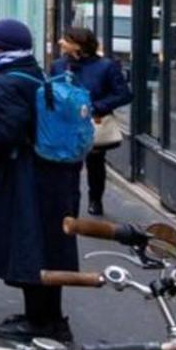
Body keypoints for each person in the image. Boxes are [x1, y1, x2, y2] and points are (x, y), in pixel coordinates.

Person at [0, 18, 80, 342]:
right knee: (51, 247)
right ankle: (53, 318)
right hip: (54, 174)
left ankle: (37, 322)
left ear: (1, 47)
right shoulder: (34, 71)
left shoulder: (4, 83)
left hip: (26, 177)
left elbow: (6, 134)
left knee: (28, 246)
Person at [53, 26, 133, 218]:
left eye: (65, 39)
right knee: (69, 166)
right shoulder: (58, 65)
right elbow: (52, 90)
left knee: (95, 164)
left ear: (78, 44)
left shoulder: (106, 66)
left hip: (94, 123)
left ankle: (95, 199)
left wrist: (95, 107)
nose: (60, 42)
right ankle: (70, 207)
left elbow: (123, 94)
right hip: (67, 123)